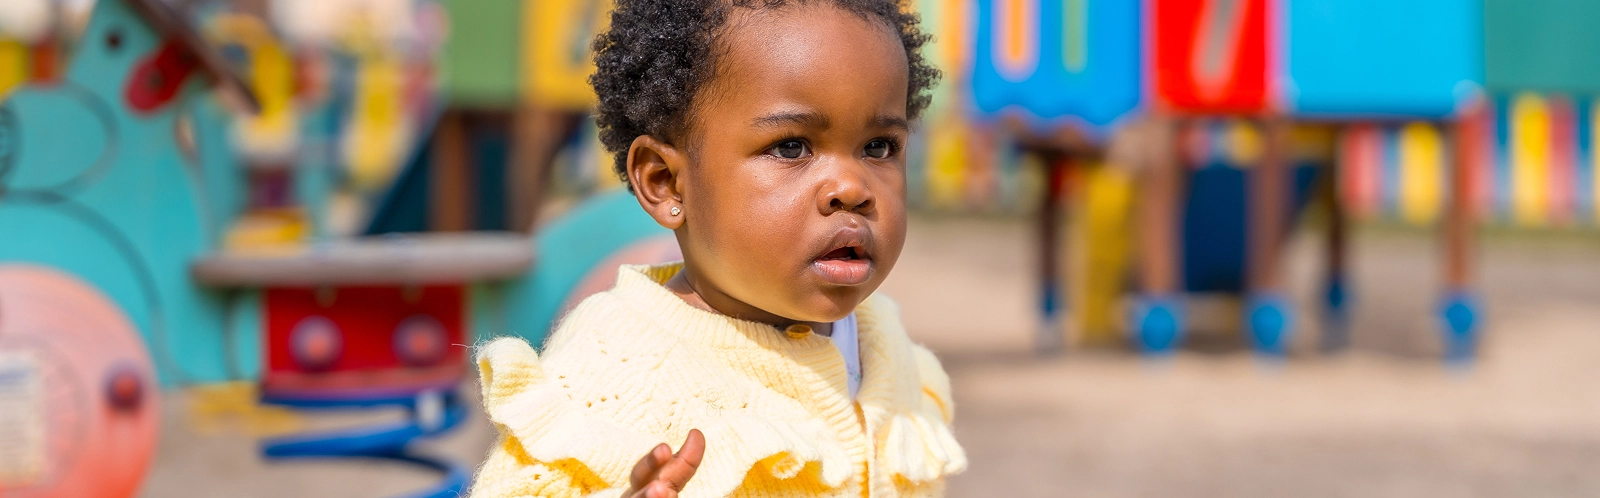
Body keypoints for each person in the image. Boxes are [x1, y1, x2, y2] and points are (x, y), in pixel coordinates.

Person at [470, 0, 962, 496]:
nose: (851, 187)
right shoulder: (613, 372)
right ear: (666, 182)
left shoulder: (883, 344)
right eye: (791, 147)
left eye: (879, 147)